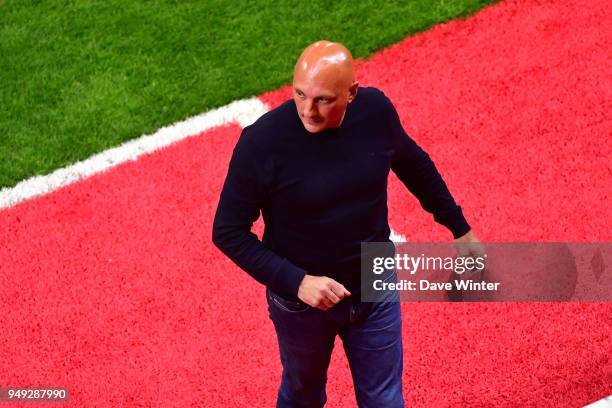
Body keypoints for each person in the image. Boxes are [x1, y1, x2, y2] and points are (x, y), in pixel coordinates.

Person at [212, 40, 482, 408]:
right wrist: (298, 282)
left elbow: (415, 165)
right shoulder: (262, 144)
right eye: (300, 95)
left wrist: (459, 228)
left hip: (375, 280)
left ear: (352, 93)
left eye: (323, 99)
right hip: (302, 303)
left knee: (385, 401)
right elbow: (228, 231)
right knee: (303, 395)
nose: (308, 110)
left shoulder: (376, 113)